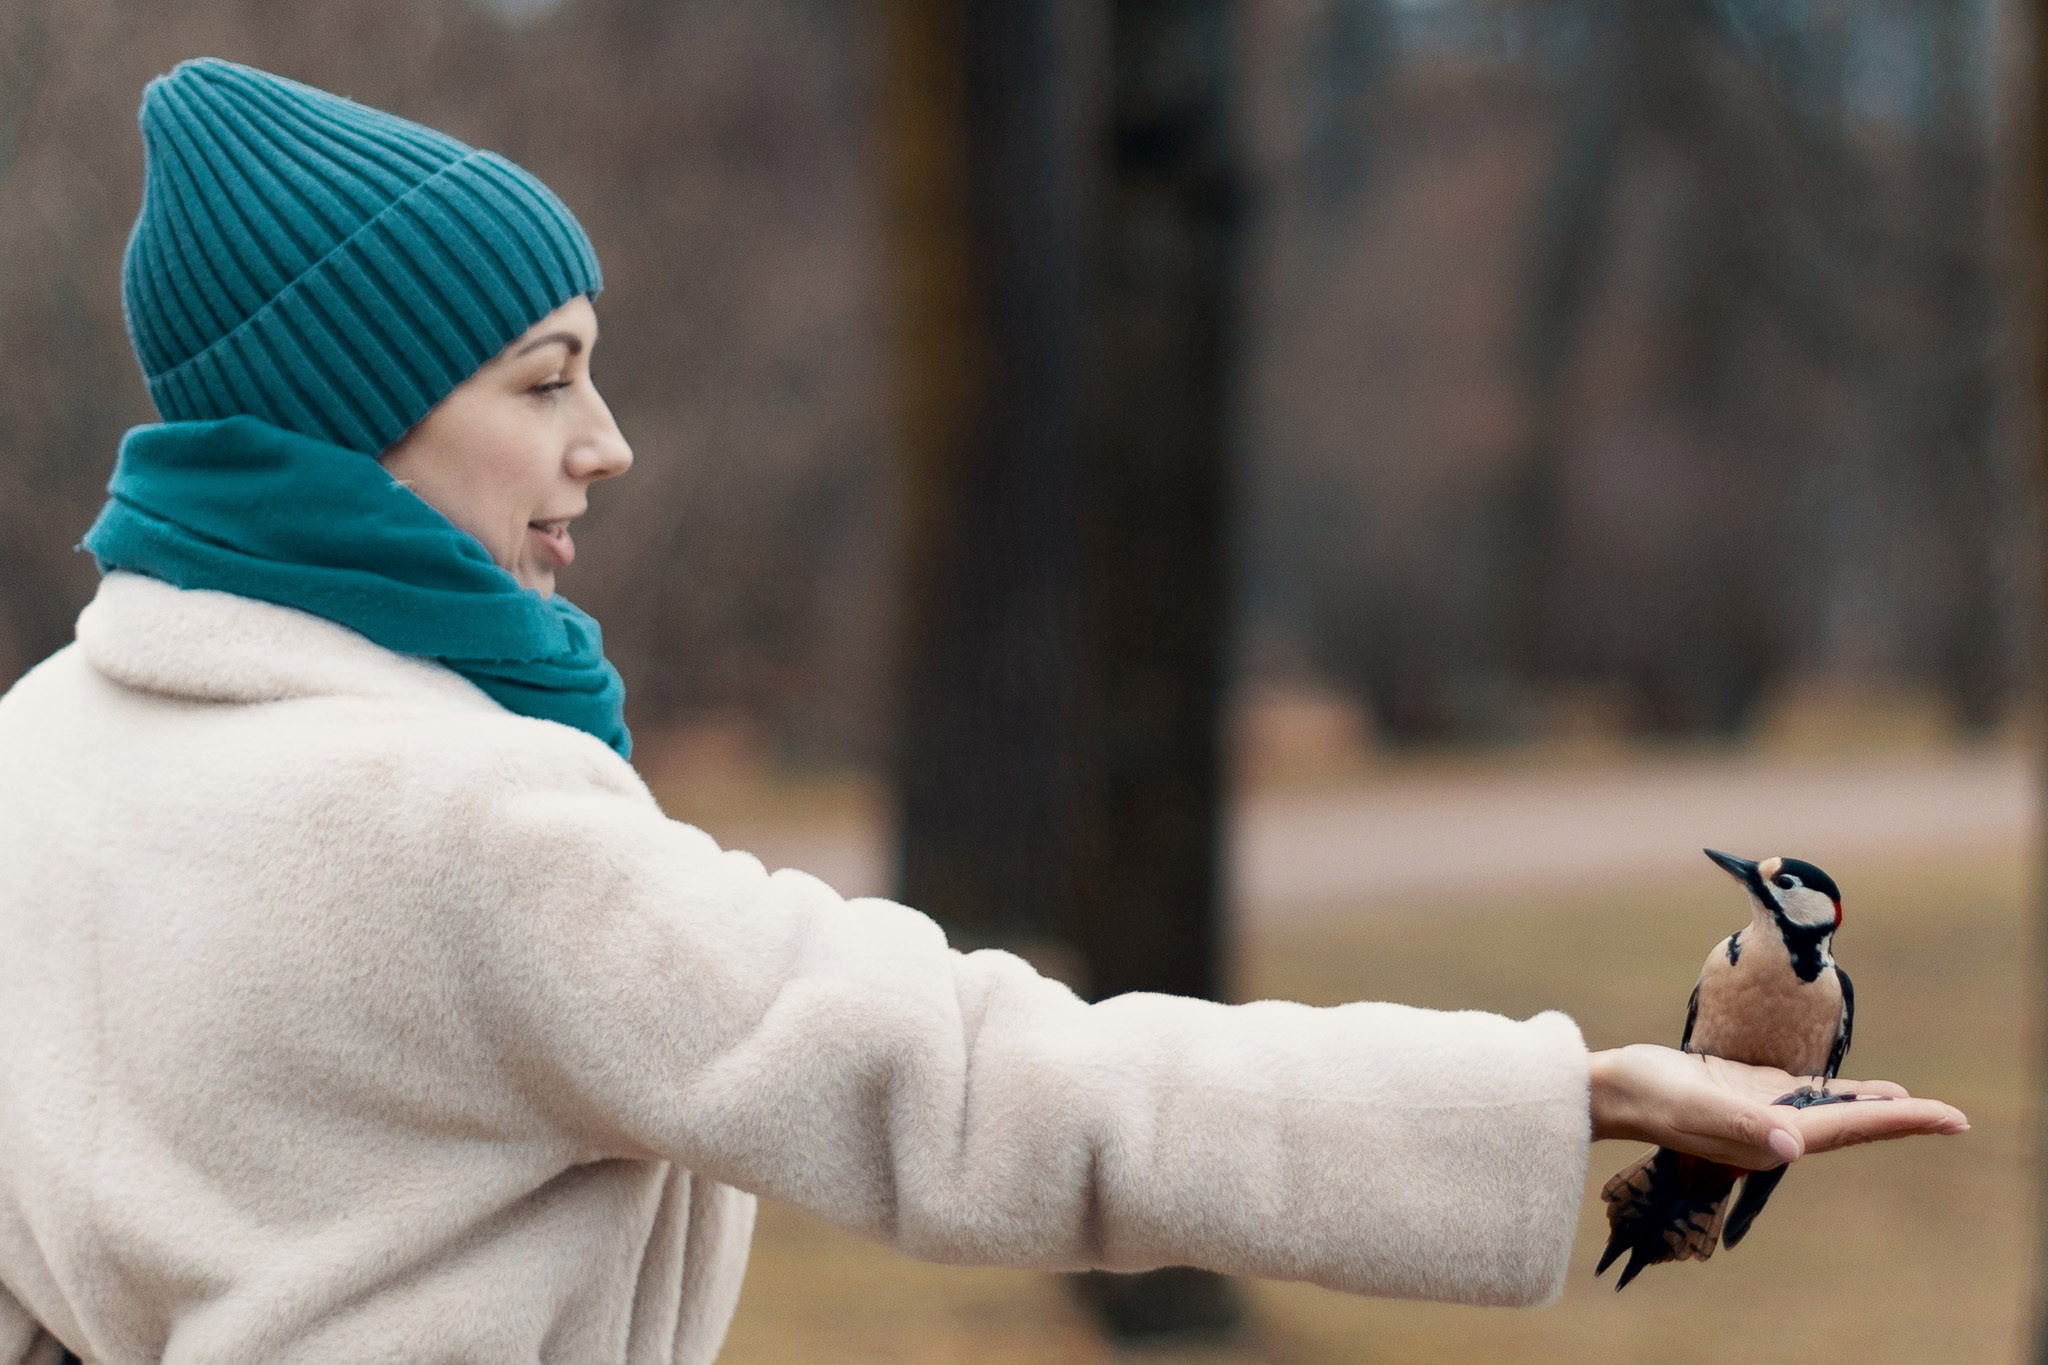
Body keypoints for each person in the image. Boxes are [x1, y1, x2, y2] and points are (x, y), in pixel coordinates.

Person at [0, 56, 1965, 1365]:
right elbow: (991, 1084)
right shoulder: (460, 825)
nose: (604, 442)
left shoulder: (43, 755)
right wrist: (1572, 1091)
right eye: (543, 376)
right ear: (351, 411)